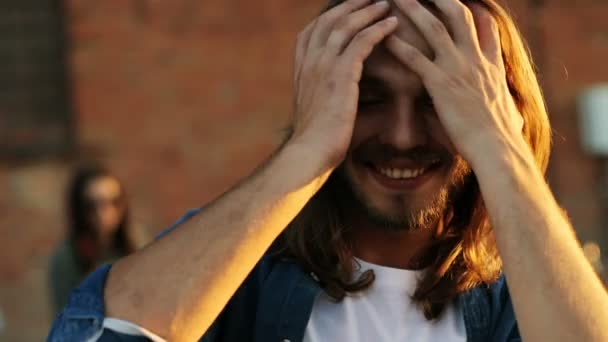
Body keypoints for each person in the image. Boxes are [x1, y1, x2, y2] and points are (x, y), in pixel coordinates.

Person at [49, 0, 608, 341]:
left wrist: (500, 150)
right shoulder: (240, 278)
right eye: (369, 98)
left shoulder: (521, 300)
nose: (403, 136)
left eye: (441, 100)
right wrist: (307, 150)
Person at [48, 164, 143, 317]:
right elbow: (66, 319)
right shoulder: (67, 258)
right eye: (93, 205)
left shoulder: (138, 245)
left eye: (114, 201)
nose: (105, 212)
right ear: (79, 209)